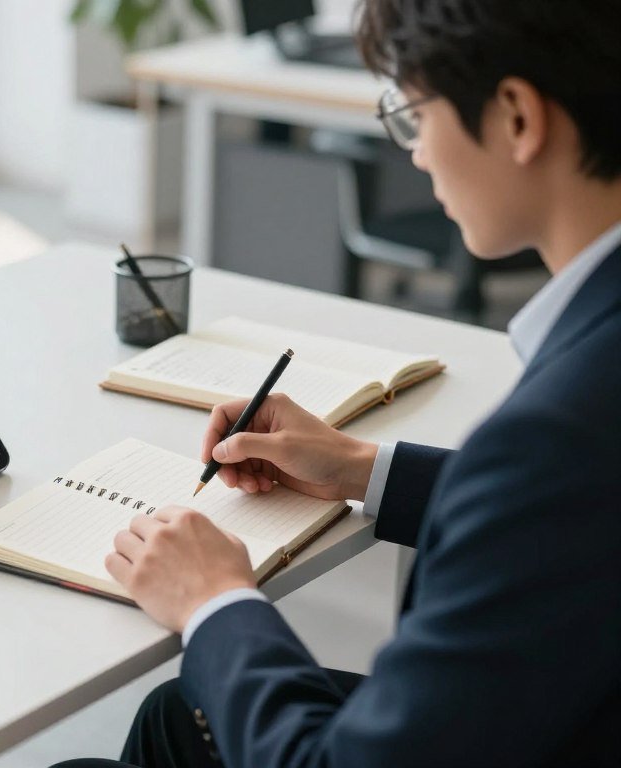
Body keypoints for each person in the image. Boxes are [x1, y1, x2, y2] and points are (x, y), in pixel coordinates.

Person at [54, 0, 621, 765]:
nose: (415, 155)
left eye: (415, 114)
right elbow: (575, 510)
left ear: (517, 117)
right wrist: (362, 468)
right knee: (175, 713)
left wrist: (214, 600)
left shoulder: (555, 432)